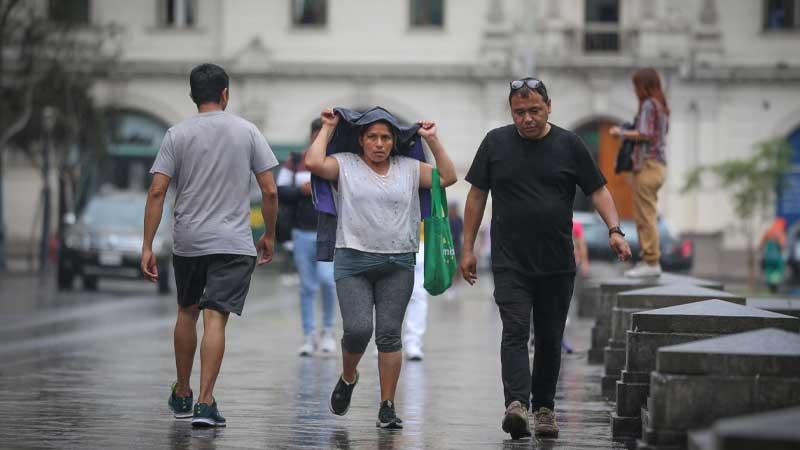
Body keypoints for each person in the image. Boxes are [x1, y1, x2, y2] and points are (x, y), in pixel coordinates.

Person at [460, 77, 631, 440]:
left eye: (534, 110)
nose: (526, 118)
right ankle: (516, 405)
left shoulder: (570, 145)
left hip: (556, 263)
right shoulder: (495, 143)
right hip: (509, 261)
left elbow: (598, 190)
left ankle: (544, 410)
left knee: (551, 338)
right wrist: (468, 248)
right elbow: (476, 196)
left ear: (549, 106)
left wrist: (615, 230)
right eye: (519, 112)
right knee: (516, 331)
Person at [142, 63, 279, 427]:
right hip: (233, 242)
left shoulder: (176, 134)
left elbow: (157, 190)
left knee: (187, 311)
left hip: (189, 240)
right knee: (214, 317)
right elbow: (269, 189)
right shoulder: (247, 131)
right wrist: (270, 234)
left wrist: (147, 245)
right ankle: (205, 403)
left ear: (192, 96)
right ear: (225, 94)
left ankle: (183, 392)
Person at [305, 107, 457, 429]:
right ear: (361, 140)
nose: (379, 143)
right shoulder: (345, 165)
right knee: (358, 330)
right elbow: (314, 162)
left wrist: (433, 140)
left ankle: (387, 405)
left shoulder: (410, 168)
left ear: (393, 142)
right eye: (372, 137)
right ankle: (348, 377)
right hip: (353, 260)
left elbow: (447, 177)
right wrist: (329, 127)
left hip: (397, 261)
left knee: (389, 335)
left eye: (385, 137)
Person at [277, 118, 338, 357]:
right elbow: (279, 190)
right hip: (301, 231)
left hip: (328, 232)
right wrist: (300, 191)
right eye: (316, 135)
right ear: (311, 136)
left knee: (328, 281)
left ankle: (329, 331)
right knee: (307, 287)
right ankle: (309, 335)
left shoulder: (334, 161)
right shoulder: (295, 161)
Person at [610, 67, 670, 278]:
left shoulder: (648, 105)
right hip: (658, 166)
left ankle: (651, 262)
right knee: (648, 213)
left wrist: (621, 132)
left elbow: (645, 134)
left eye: (636, 85)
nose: (634, 90)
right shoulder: (661, 106)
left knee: (645, 215)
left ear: (644, 86)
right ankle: (649, 260)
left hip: (647, 166)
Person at [403, 226, 427, 361]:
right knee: (387, 292)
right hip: (387, 239)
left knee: (418, 295)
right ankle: (384, 340)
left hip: (420, 240)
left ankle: (414, 341)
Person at [760, 218, 787, 293]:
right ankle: (775, 286)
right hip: (777, 258)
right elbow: (782, 246)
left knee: (768, 271)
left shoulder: (768, 232)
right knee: (779, 271)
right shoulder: (781, 233)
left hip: (768, 257)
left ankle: (770, 286)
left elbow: (761, 244)